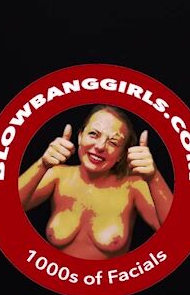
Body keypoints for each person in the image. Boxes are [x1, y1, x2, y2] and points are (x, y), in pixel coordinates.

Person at [17, 105, 173, 259]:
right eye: (93, 134)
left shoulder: (134, 186)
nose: (100, 146)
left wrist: (154, 177)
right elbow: (5, 210)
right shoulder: (57, 175)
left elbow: (177, 234)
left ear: (121, 155)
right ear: (80, 136)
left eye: (113, 142)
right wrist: (42, 164)